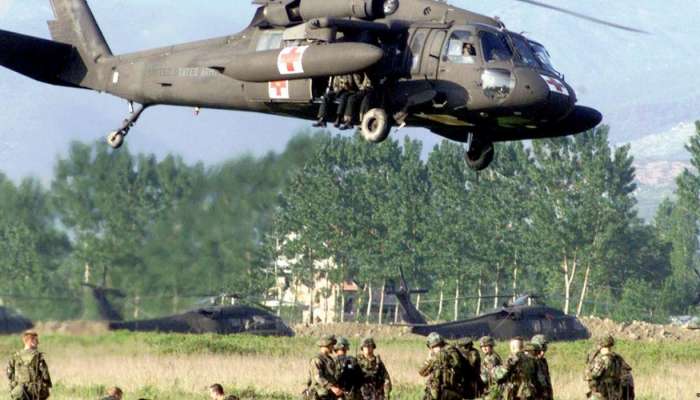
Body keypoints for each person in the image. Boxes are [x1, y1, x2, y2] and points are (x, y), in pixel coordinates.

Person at [6, 330, 52, 400]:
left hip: (19, 391)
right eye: (36, 340)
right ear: (31, 341)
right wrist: (46, 385)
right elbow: (45, 375)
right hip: (35, 392)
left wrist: (14, 385)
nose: (38, 343)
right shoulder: (38, 357)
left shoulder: (15, 356)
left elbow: (9, 374)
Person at [585, 335, 634, 400]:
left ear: (601, 345)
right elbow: (627, 373)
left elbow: (594, 375)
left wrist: (588, 370)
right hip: (615, 394)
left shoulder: (602, 359)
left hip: (601, 394)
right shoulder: (617, 358)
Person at [418, 333, 461, 400]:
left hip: (439, 393)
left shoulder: (437, 356)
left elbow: (422, 372)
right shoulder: (453, 351)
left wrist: (429, 358)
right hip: (455, 393)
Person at [304, 334, 343, 400]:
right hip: (320, 395)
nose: (333, 347)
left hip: (329, 394)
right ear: (327, 345)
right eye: (332, 345)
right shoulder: (317, 359)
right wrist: (331, 387)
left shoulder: (329, 359)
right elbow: (318, 377)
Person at [479, 336, 503, 400]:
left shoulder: (491, 358)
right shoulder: (490, 356)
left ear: (491, 346)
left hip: (493, 387)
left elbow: (488, 376)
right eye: (482, 347)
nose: (484, 348)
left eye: (486, 346)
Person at [530, 335, 553, 400]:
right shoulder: (529, 362)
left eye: (544, 348)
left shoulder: (543, 362)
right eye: (540, 348)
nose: (542, 352)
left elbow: (547, 382)